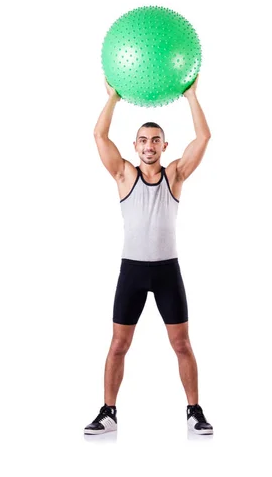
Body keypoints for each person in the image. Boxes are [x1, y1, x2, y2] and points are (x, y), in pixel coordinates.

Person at [84, 77, 213, 435]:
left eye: (156, 140)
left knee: (182, 344)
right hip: (133, 272)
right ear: (136, 146)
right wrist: (113, 98)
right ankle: (108, 411)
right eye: (143, 140)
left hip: (167, 272)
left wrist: (191, 97)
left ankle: (194, 411)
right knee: (119, 344)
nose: (149, 146)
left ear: (164, 145)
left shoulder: (175, 175)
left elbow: (203, 138)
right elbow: (99, 136)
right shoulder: (124, 174)